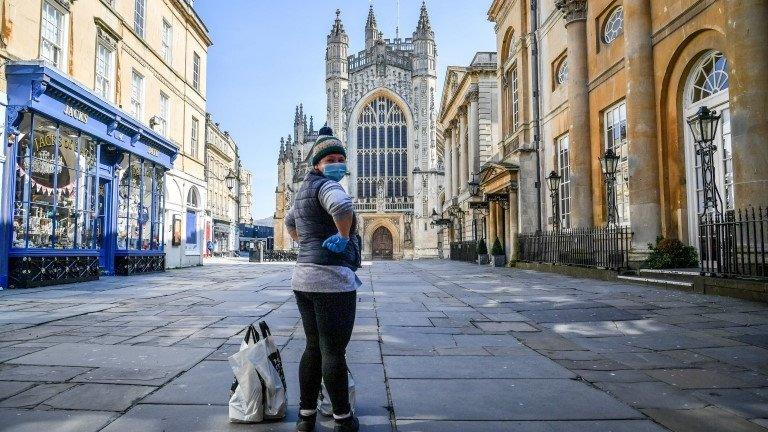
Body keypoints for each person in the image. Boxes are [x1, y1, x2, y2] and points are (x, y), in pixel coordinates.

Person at [284, 125, 361, 432]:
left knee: (312, 347)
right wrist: (343, 237)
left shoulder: (304, 189)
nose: (336, 164)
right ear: (317, 163)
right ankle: (343, 419)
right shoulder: (329, 187)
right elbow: (342, 207)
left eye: (339, 158)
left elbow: (291, 221)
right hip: (331, 279)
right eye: (329, 159)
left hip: (302, 278)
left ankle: (305, 418)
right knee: (333, 351)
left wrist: (304, 244)